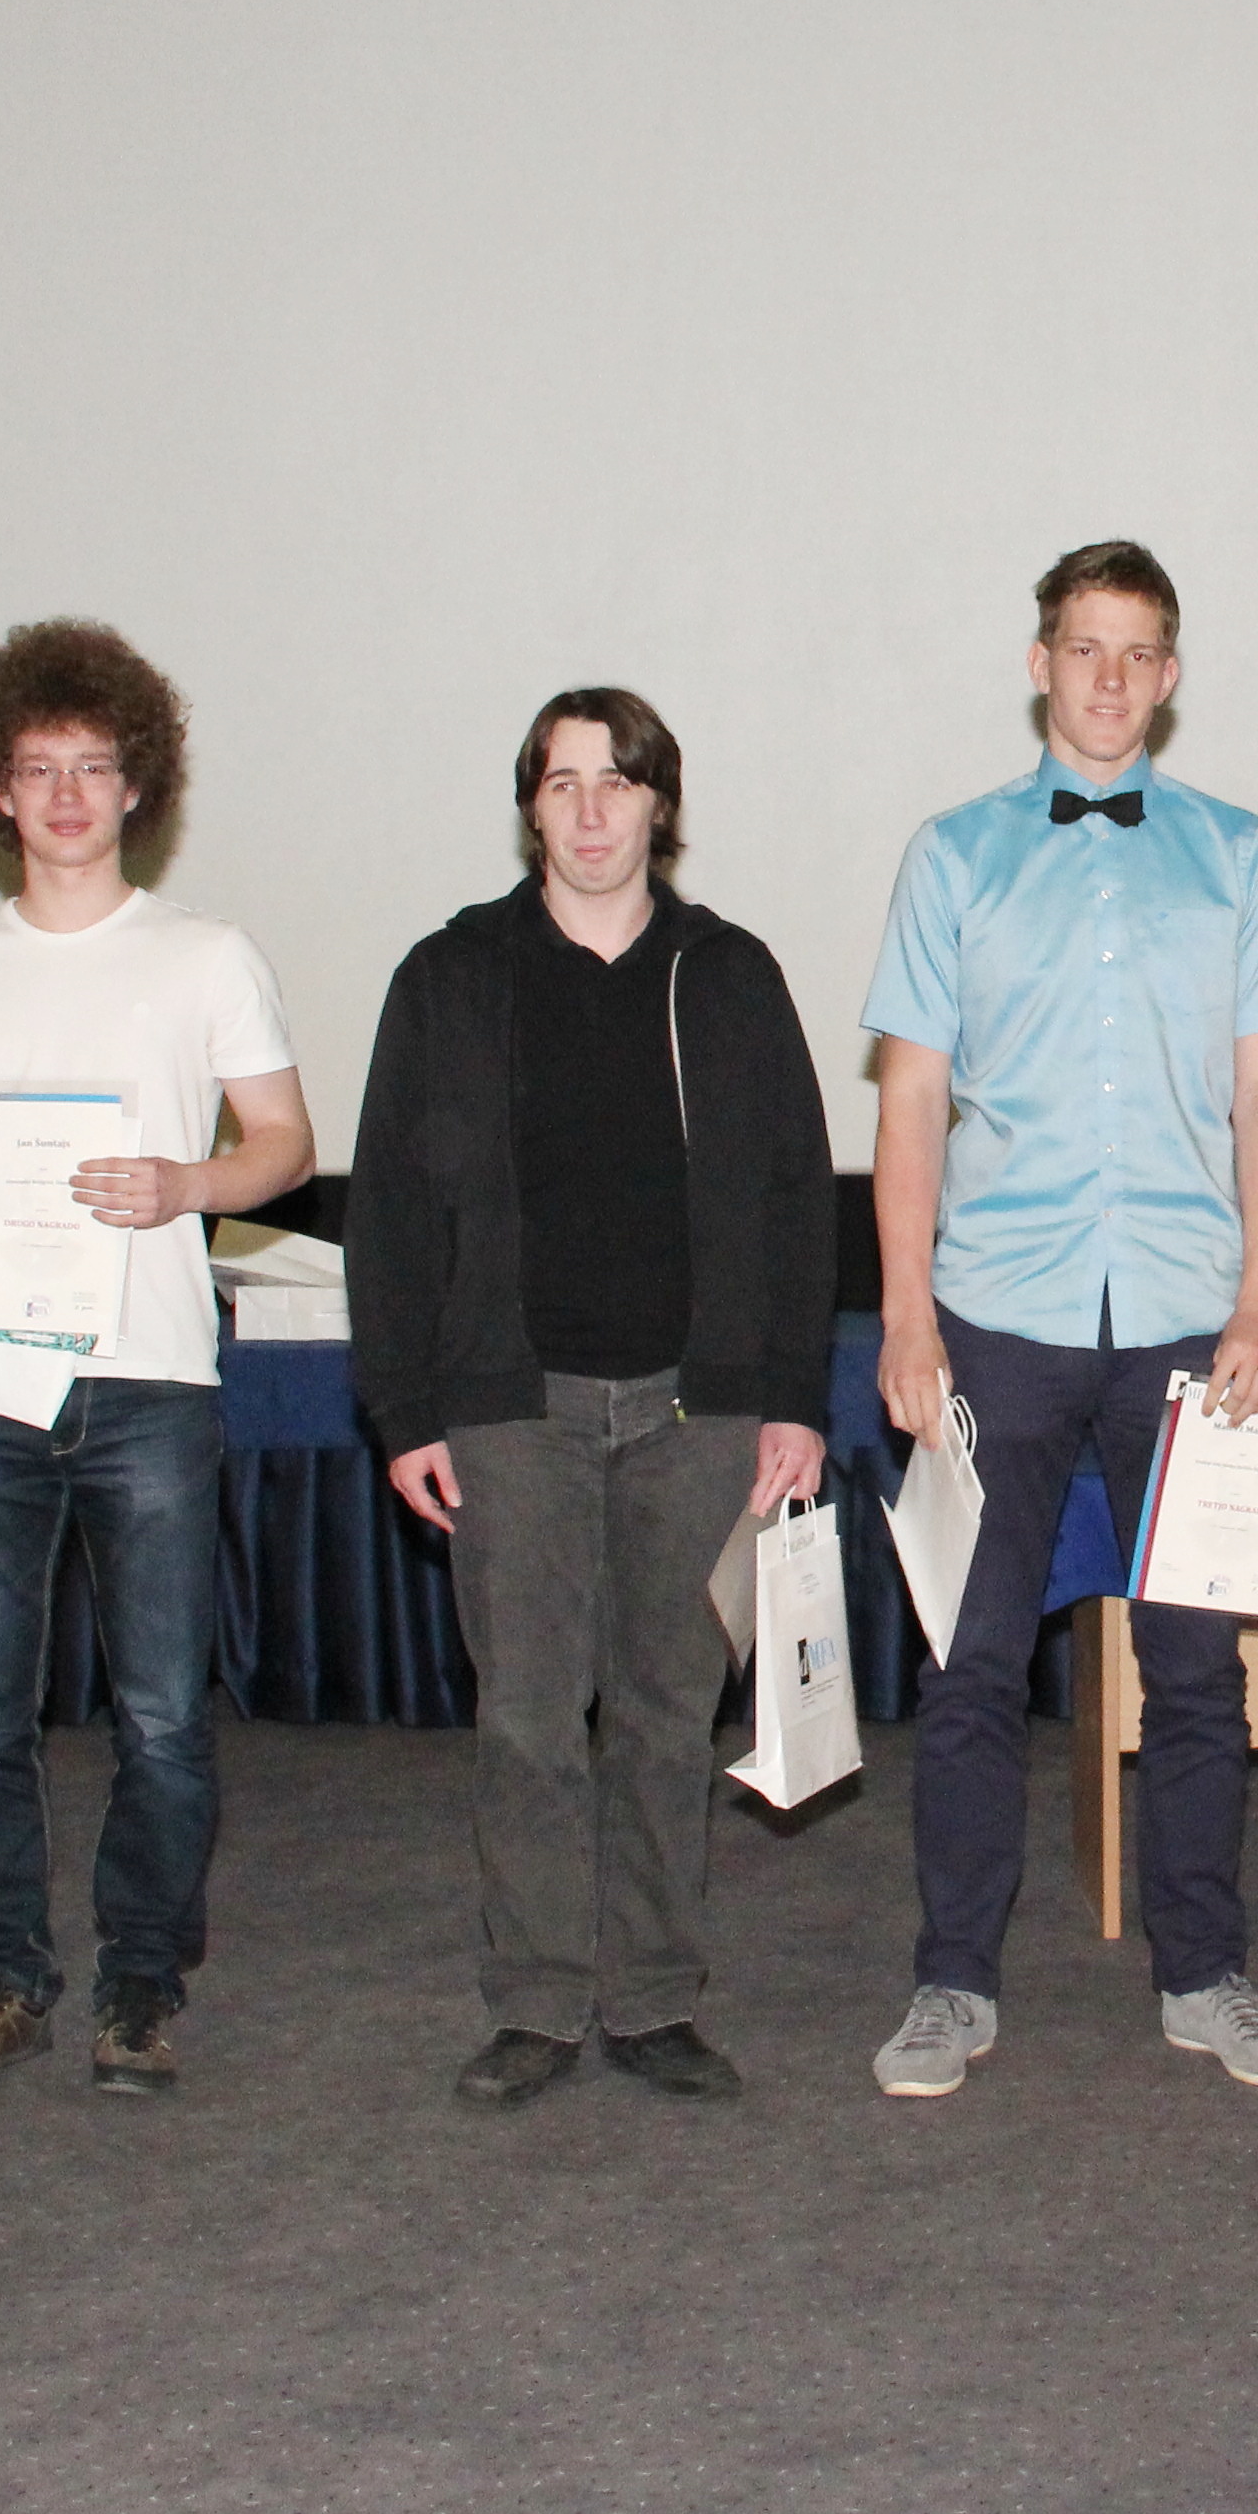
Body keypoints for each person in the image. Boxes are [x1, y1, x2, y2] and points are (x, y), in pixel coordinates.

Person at [857, 540, 1258, 2099]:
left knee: (1196, 1670)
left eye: (1138, 652)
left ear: (1169, 677)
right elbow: (909, 1101)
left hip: (1194, 1321)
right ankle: (951, 1985)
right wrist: (904, 1320)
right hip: (998, 1316)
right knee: (974, 1664)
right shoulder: (955, 855)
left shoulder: (1241, 856)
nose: (1109, 678)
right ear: (1040, 664)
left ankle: (1206, 1976)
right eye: (1084, 647)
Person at [350, 690, 835, 2112]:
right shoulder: (451, 975)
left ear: (659, 806)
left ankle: (656, 1998)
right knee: (526, 1720)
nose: (590, 810)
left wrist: (792, 1397)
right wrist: (404, 1410)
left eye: (617, 782)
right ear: (530, 808)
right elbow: (388, 1208)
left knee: (671, 1717)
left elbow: (798, 1197)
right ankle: (538, 2001)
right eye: (562, 783)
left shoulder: (730, 975)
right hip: (512, 1412)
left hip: (700, 1412)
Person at [0, 622, 312, 2100]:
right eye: (39, 767)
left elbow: (284, 1144)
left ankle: (140, 1984)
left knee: (164, 1715)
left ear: (137, 786)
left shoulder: (207, 956)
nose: (66, 794)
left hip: (152, 1383)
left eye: (94, 766)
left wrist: (186, 1185)